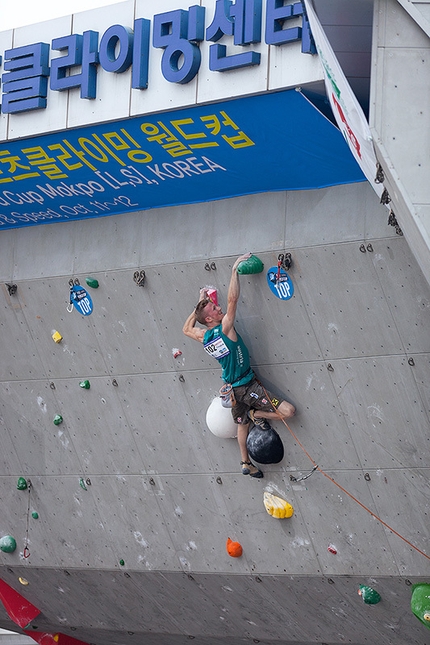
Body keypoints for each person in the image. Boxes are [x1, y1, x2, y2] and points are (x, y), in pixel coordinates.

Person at [183, 253, 295, 479]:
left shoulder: (205, 337)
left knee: (241, 424)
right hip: (248, 388)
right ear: (210, 319)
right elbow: (233, 300)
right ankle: (256, 412)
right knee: (288, 412)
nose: (219, 308)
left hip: (232, 391)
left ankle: (245, 462)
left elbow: (186, 329)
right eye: (214, 309)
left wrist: (198, 305)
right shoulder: (225, 329)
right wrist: (234, 271)